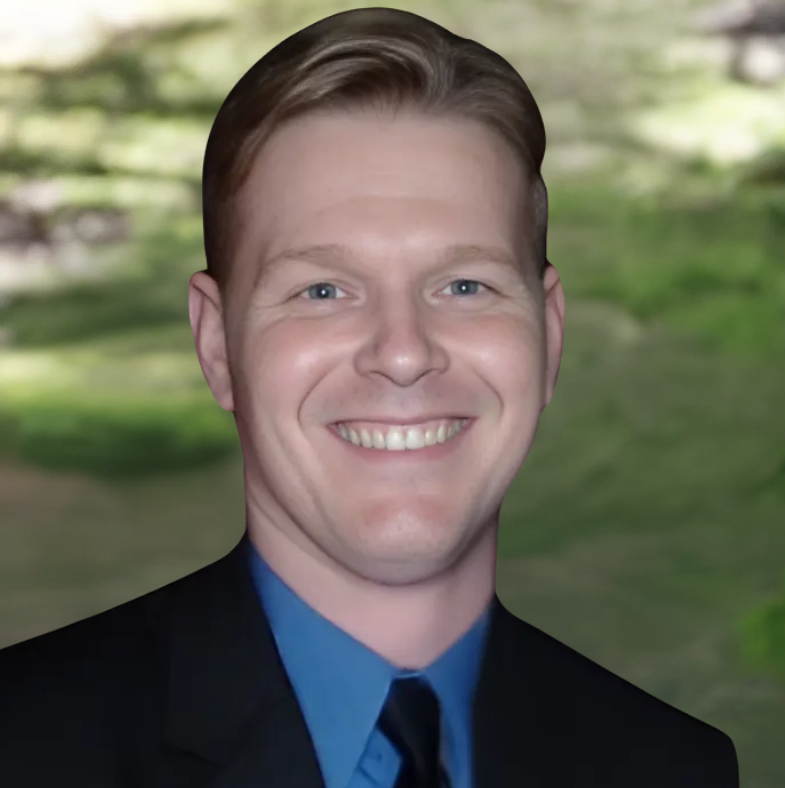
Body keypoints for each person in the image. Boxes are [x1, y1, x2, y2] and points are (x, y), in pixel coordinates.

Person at [0, 7, 739, 787]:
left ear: (549, 335)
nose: (403, 351)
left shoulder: (672, 765)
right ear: (217, 345)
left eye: (464, 284)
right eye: (323, 289)